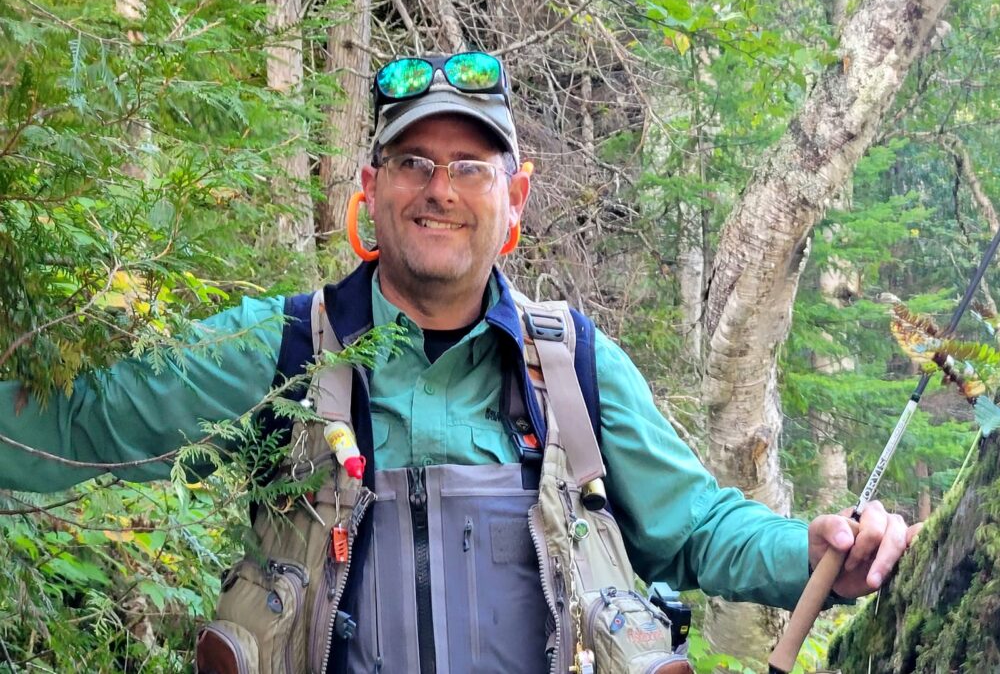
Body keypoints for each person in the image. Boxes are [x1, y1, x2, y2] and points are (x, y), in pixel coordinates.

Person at [0, 51, 917, 673]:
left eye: (470, 166)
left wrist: (816, 549)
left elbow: (697, 528)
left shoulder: (573, 366)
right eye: (411, 160)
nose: (439, 189)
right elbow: (84, 425)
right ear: (371, 187)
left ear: (513, 198)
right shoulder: (280, 349)